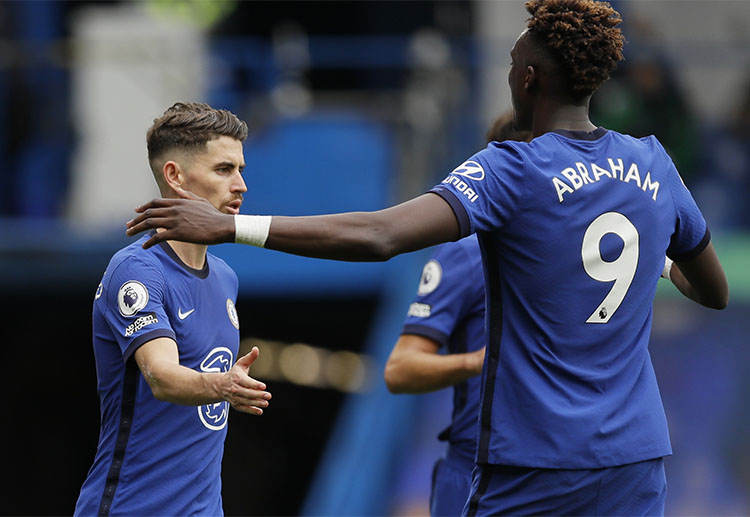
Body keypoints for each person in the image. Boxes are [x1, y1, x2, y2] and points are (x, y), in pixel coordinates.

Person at [126, 1, 729, 514]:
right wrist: (656, 261)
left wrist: (231, 226)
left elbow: (380, 234)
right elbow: (714, 291)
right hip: (636, 460)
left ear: (527, 80)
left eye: (512, 63)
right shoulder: (653, 162)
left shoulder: (512, 168)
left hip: (537, 461)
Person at [75, 102, 272, 517]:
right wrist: (222, 386)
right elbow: (161, 377)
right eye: (224, 170)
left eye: (241, 170)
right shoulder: (137, 271)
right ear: (175, 176)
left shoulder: (225, 277)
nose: (241, 185)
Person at [383, 112, 529, 517]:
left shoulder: (576, 252)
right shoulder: (466, 254)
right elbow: (400, 370)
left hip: (563, 470)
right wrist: (479, 361)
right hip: (479, 472)